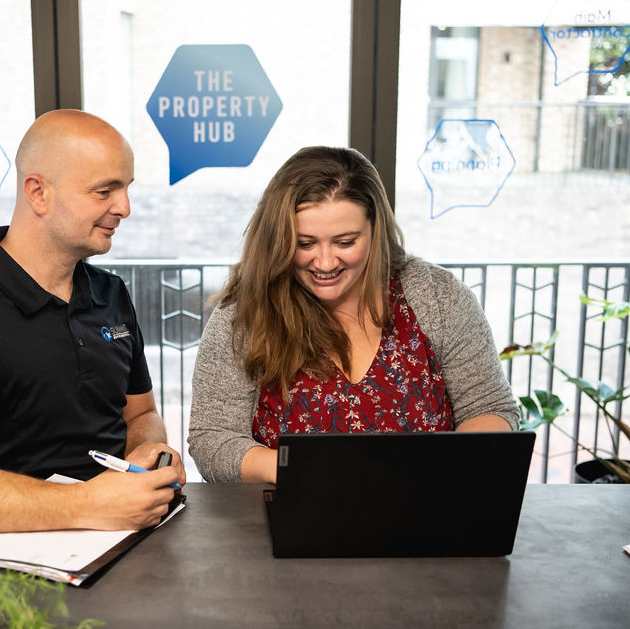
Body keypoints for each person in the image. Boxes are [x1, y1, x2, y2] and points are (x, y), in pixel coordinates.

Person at [0, 109, 184, 532]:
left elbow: (140, 415)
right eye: (104, 191)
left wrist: (145, 454)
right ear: (38, 193)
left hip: (122, 538)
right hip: (9, 568)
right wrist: (85, 504)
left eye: (125, 188)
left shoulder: (111, 294)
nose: (124, 207)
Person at [187, 146, 519, 483]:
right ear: (278, 239)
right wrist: (299, 470)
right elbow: (212, 438)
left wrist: (443, 469)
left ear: (376, 231)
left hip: (427, 518)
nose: (326, 262)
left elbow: (489, 408)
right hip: (284, 519)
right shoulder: (244, 314)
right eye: (304, 244)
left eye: (345, 242)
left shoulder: (438, 297)